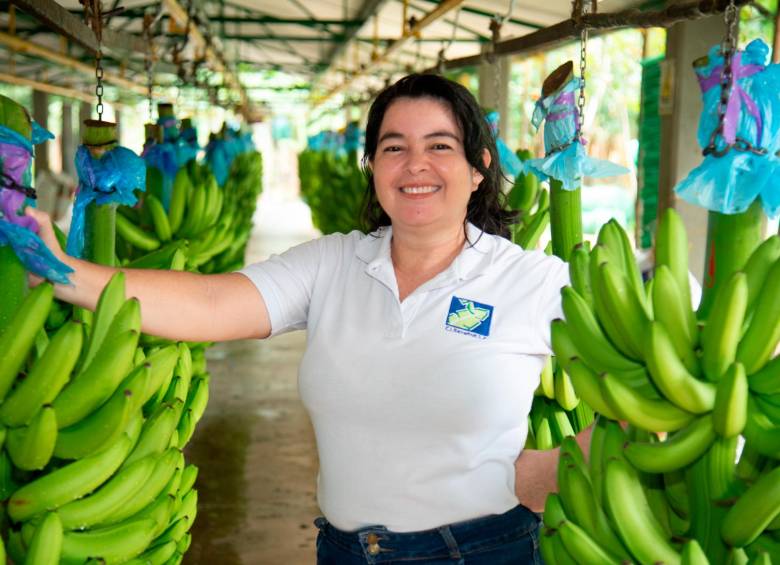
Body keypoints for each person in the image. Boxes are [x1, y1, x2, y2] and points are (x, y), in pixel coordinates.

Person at [28, 73, 587, 564]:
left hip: (482, 551)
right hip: (344, 552)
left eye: (440, 145)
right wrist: (65, 273)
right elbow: (210, 304)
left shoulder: (533, 281)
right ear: (371, 167)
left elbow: (654, 376)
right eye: (394, 148)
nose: (415, 164)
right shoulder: (333, 263)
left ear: (478, 167)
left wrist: (556, 470)